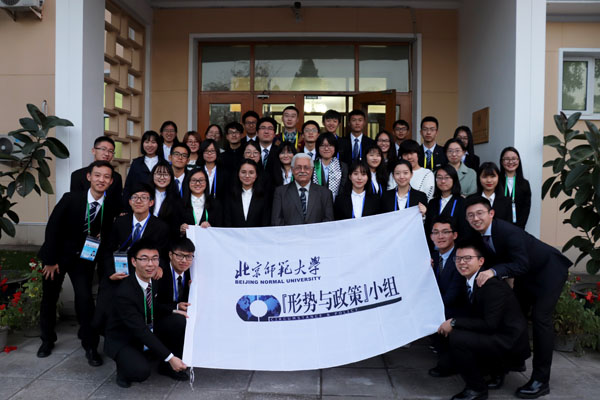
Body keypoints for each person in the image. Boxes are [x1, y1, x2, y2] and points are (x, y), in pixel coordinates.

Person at [464, 196, 572, 398]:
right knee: (511, 317)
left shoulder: (508, 232)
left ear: (491, 213)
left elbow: (521, 264)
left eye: (479, 213)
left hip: (549, 270)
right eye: (470, 215)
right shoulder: (477, 234)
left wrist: (494, 272)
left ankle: (541, 380)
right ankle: (505, 367)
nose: (475, 218)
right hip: (526, 274)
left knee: (540, 319)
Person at [37, 161, 119, 365]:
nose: (101, 180)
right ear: (89, 177)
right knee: (49, 299)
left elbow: (108, 234)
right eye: (97, 175)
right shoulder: (71, 198)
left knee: (85, 300)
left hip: (84, 260)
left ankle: (90, 345)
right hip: (57, 258)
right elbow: (52, 228)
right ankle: (47, 340)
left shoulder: (111, 205)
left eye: (106, 177)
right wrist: (50, 260)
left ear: (111, 181)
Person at [437, 241, 530, 400]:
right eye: (458, 259)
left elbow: (490, 324)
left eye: (467, 258)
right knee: (448, 357)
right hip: (495, 331)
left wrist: (454, 323)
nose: (462, 262)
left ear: (481, 261)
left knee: (458, 338)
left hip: (509, 341)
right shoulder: (468, 279)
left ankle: (476, 389)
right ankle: (491, 370)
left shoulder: (491, 286)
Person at [104, 239, 188, 388]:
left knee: (178, 320)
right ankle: (123, 370)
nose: (150, 264)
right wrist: (170, 357)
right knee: (140, 372)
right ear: (134, 262)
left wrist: (175, 308)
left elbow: (152, 305)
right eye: (144, 259)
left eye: (154, 259)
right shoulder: (124, 292)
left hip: (146, 326)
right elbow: (139, 329)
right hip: (125, 336)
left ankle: (165, 366)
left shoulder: (153, 279)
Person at [154, 238, 195, 371]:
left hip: (181, 315)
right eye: (179, 256)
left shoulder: (193, 273)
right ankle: (169, 364)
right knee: (179, 321)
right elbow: (152, 304)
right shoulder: (159, 272)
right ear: (170, 255)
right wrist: (176, 307)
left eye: (188, 256)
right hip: (159, 318)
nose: (184, 260)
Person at [271, 153, 334, 225]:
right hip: (289, 232)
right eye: (298, 168)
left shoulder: (325, 193)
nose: (302, 171)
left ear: (312, 170)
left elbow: (328, 222)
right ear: (292, 170)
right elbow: (276, 221)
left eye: (306, 168)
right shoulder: (280, 192)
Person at [70, 136, 123, 213]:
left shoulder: (116, 177)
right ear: (93, 151)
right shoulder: (77, 175)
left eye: (111, 151)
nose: (107, 154)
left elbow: (117, 203)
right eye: (103, 149)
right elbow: (74, 203)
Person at [425, 165, 468, 241]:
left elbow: (464, 229)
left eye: (447, 177)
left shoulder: (462, 202)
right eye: (439, 177)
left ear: (454, 179)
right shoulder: (432, 203)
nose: (443, 181)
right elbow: (428, 228)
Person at [224, 159, 271, 227]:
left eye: (251, 172)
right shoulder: (230, 195)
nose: (247, 176)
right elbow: (227, 221)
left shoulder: (264, 196)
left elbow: (265, 222)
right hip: (233, 233)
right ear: (238, 173)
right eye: (243, 172)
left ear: (256, 175)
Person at [123, 130, 162, 206]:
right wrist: (125, 207)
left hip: (159, 203)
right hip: (139, 203)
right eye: (146, 142)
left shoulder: (164, 163)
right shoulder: (136, 163)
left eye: (153, 142)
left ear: (158, 144)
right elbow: (128, 186)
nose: (149, 145)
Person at [179, 167, 223, 233]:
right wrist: (181, 229)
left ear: (206, 182)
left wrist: (211, 227)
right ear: (188, 182)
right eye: (193, 180)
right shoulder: (180, 203)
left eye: (201, 180)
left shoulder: (215, 204)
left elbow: (220, 229)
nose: (197, 183)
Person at [499, 147, 531, 229]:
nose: (510, 162)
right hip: (499, 226)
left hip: (518, 227)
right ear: (501, 161)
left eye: (514, 159)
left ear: (518, 161)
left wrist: (520, 228)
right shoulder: (496, 182)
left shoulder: (525, 184)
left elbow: (526, 208)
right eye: (507, 159)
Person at [150, 161, 183, 241]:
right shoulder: (145, 195)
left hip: (167, 241)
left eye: (165, 174)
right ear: (152, 175)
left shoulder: (177, 199)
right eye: (159, 174)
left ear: (171, 177)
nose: (162, 178)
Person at [313, 132, 347, 201]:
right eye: (322, 145)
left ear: (335, 147)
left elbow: (343, 189)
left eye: (330, 145)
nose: (326, 149)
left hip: (337, 204)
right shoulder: (312, 165)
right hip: (315, 204)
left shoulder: (342, 166)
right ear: (318, 148)